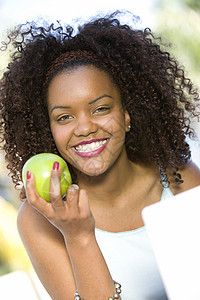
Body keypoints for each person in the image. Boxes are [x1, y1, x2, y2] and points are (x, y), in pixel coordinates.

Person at [0, 11, 200, 300]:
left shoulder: (178, 177)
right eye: (64, 117)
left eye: (101, 109)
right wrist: (78, 235)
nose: (84, 128)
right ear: (49, 130)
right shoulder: (40, 218)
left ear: (128, 115)